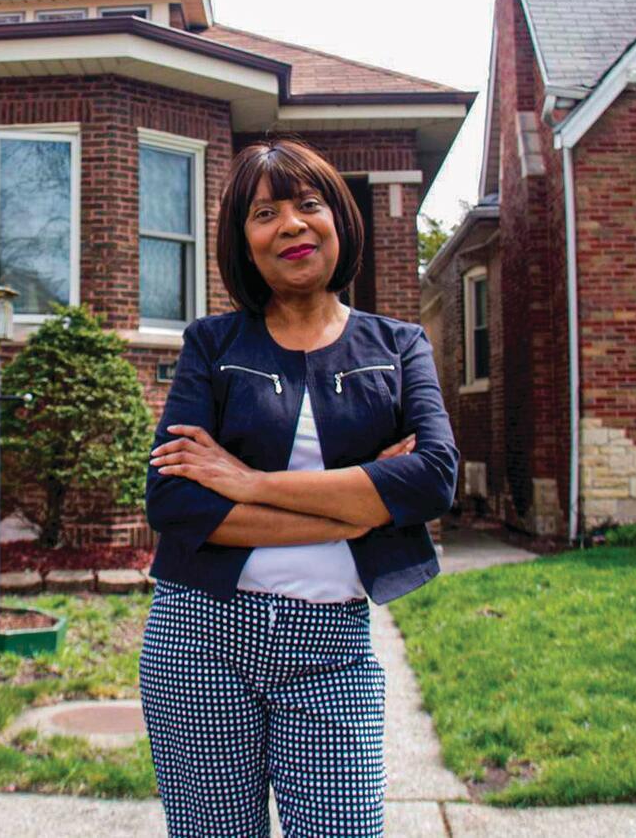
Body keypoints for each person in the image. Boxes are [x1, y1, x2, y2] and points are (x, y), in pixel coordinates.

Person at [140, 136, 460, 837]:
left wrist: (247, 481)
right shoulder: (212, 345)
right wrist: (360, 508)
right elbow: (173, 501)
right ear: (243, 242)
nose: (291, 224)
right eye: (265, 213)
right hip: (200, 638)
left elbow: (434, 477)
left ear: (338, 220)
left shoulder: (399, 345)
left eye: (309, 204)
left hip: (333, 646)